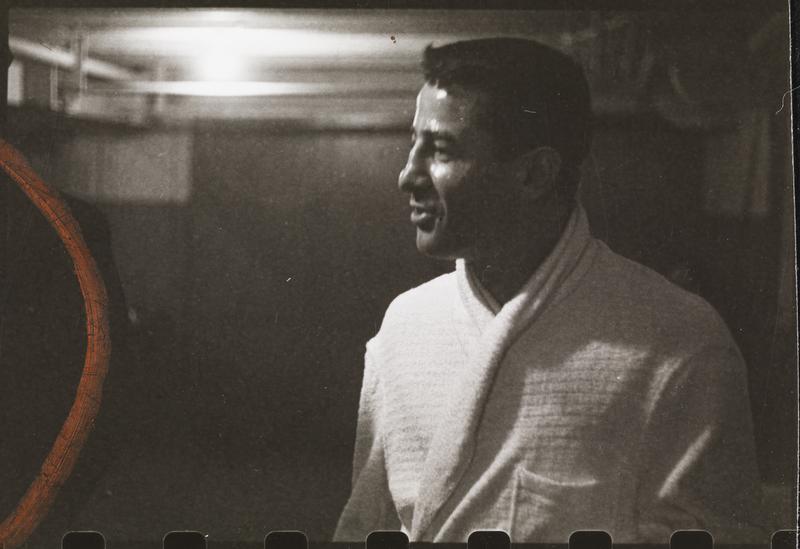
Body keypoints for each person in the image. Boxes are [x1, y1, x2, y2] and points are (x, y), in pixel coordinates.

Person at [333, 38, 764, 543]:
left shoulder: (679, 343)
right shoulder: (405, 327)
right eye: (414, 144)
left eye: (442, 150)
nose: (408, 176)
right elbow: (365, 527)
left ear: (535, 173)